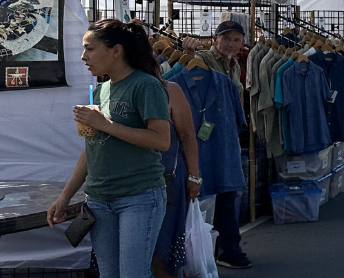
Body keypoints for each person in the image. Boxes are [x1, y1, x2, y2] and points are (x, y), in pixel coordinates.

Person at [48, 19, 172, 277]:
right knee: (109, 273)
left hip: (139, 196)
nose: (83, 57)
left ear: (116, 50)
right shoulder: (100, 90)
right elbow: (90, 151)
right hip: (99, 200)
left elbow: (161, 141)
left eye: (90, 49)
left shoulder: (146, 85)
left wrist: (106, 124)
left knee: (132, 274)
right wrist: (64, 197)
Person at [182, 20, 250, 269]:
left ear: (243, 43)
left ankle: (225, 249)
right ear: (214, 39)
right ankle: (208, 253)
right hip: (204, 140)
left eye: (236, 39)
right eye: (226, 38)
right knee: (207, 196)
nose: (231, 43)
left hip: (225, 137)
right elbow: (184, 71)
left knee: (227, 194)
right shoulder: (203, 60)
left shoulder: (235, 65)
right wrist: (187, 53)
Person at [153, 72, 201, 278]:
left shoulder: (169, 89)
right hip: (127, 184)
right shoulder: (107, 90)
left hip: (168, 179)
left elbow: (188, 136)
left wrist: (194, 176)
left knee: (161, 254)